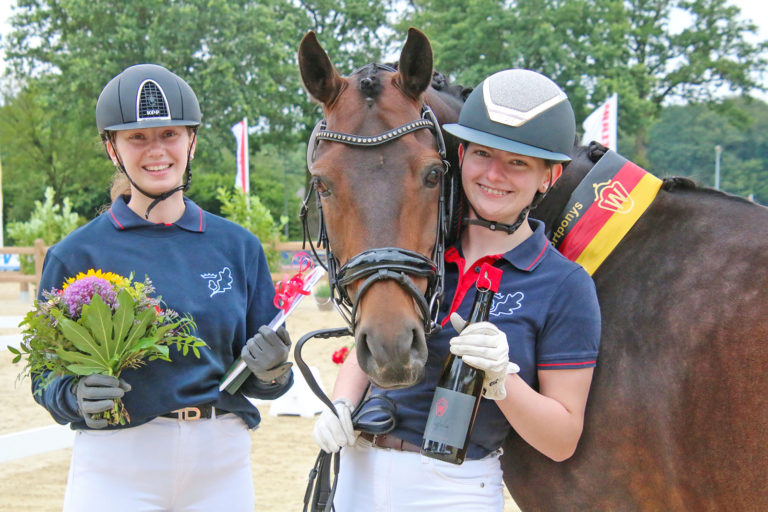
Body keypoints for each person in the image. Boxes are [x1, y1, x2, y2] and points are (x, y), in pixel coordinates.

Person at [312, 69, 601, 510]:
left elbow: (561, 439)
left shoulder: (563, 285)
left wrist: (503, 383)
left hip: (453, 488)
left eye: (518, 162)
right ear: (461, 154)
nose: (494, 174)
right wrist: (341, 403)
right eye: (483, 153)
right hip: (359, 475)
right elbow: (369, 338)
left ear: (549, 176)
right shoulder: (420, 251)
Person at [32, 63, 293, 512]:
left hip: (220, 461)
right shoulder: (75, 256)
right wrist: (73, 396)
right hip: (119, 462)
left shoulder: (239, 247)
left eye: (169, 134)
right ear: (112, 148)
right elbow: (44, 375)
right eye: (137, 137)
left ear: (191, 141)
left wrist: (273, 371)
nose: (156, 151)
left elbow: (262, 381)